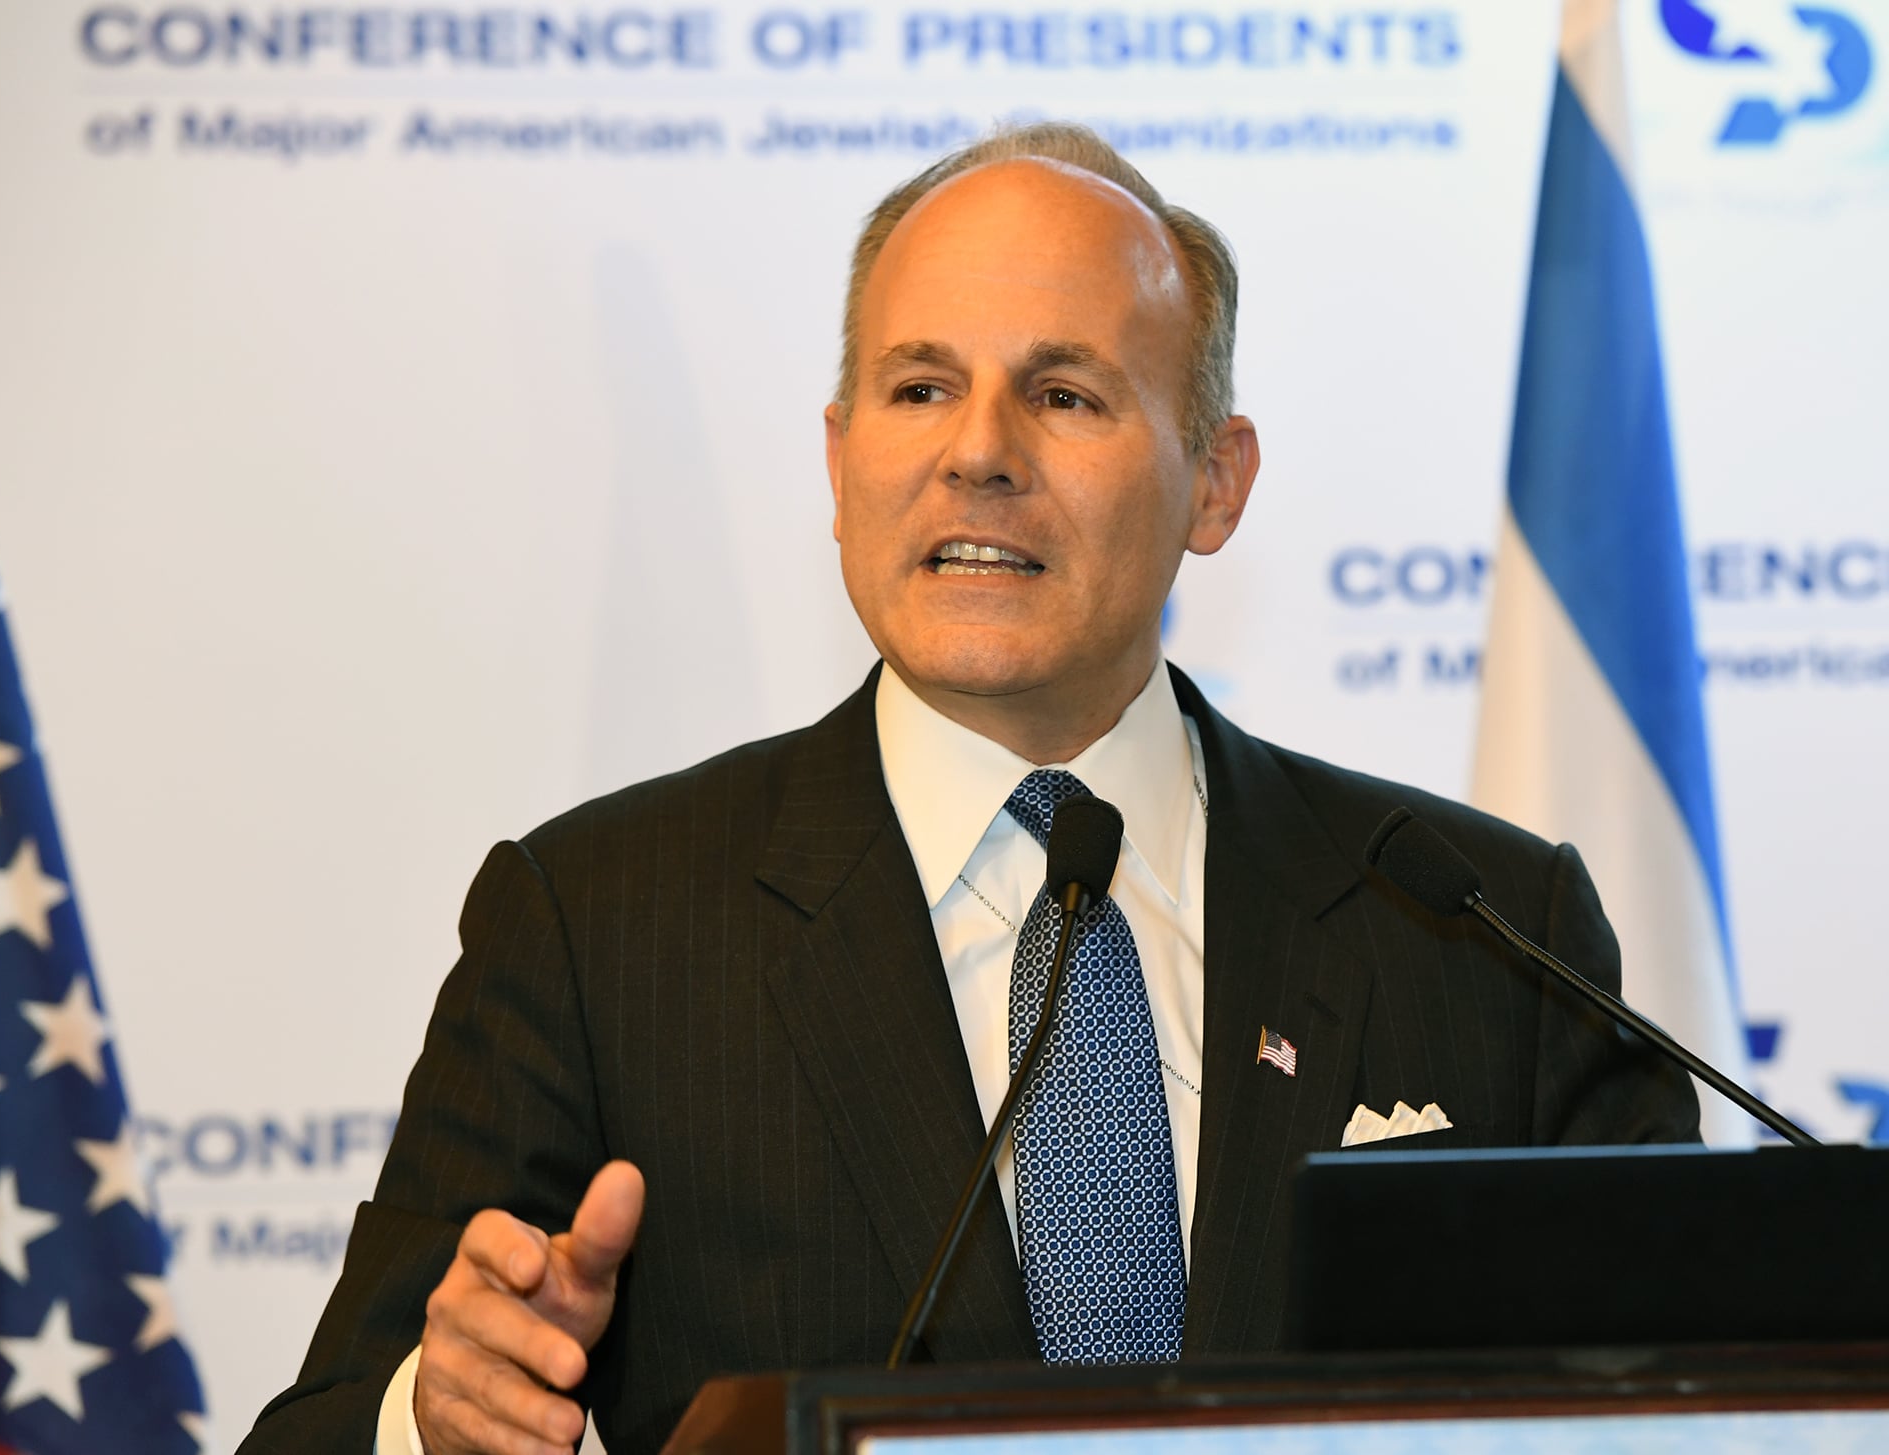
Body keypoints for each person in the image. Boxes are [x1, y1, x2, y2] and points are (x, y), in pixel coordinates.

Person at [241, 123, 1698, 1455]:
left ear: (1215, 480)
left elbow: (1698, 1416)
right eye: (921, 388)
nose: (979, 453)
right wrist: (436, 1419)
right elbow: (310, 1438)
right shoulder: (601, 929)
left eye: (1063, 394)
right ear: (840, 463)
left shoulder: (1485, 931)